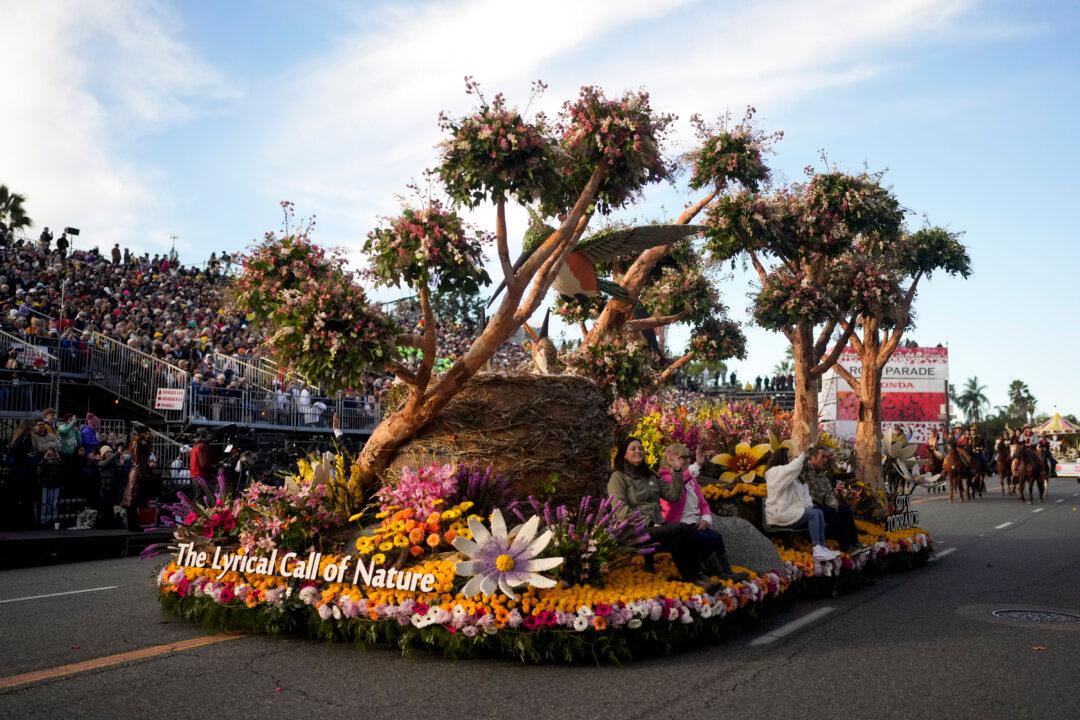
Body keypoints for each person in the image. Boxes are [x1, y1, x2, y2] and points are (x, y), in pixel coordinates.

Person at [608, 438, 722, 592]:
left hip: (658, 526)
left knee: (685, 529)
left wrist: (676, 471)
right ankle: (694, 578)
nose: (638, 451)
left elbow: (673, 495)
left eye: (640, 448)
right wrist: (648, 522)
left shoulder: (650, 475)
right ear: (624, 455)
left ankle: (700, 575)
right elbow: (620, 510)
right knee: (676, 530)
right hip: (634, 530)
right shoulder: (618, 477)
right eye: (633, 449)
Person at [659, 444, 747, 581]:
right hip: (679, 527)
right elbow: (677, 482)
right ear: (670, 459)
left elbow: (703, 504)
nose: (687, 461)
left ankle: (727, 572)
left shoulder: (692, 480)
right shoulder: (664, 478)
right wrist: (696, 465)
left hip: (695, 525)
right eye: (683, 457)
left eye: (688, 458)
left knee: (716, 537)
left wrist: (705, 519)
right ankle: (718, 573)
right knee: (706, 539)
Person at [763, 447, 841, 561]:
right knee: (813, 514)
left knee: (818, 512)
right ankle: (816, 549)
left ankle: (822, 548)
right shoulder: (774, 472)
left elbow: (804, 493)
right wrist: (803, 454)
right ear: (782, 458)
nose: (792, 459)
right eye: (789, 457)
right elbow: (792, 468)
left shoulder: (789, 474)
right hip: (779, 513)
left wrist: (808, 506)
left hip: (789, 511)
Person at [802, 446, 863, 553]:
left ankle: (854, 542)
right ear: (812, 458)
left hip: (822, 506)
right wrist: (809, 452)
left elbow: (828, 493)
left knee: (844, 508)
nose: (825, 460)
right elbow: (796, 460)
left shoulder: (821, 474)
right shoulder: (804, 469)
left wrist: (835, 503)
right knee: (830, 512)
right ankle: (846, 546)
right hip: (810, 507)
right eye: (822, 457)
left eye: (826, 457)